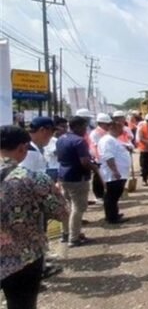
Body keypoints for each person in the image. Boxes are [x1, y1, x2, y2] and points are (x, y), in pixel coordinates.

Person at [1, 126, 68, 309]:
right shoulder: (34, 179)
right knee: (21, 304)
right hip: (24, 256)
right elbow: (62, 213)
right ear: (22, 148)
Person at [57, 116, 100, 247]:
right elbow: (84, 162)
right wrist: (95, 168)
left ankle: (66, 233)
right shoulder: (79, 141)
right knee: (78, 208)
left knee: (68, 207)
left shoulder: (61, 138)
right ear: (76, 127)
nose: (85, 130)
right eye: (83, 127)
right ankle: (74, 238)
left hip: (64, 176)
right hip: (77, 178)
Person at [96, 116, 130, 225]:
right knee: (112, 195)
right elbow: (108, 157)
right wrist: (115, 171)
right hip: (113, 173)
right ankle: (111, 217)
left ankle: (114, 214)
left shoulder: (113, 139)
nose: (122, 131)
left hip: (118, 172)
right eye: (120, 128)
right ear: (114, 128)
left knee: (114, 195)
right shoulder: (107, 140)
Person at [89, 113, 112, 204]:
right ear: (101, 123)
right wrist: (98, 158)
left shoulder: (106, 132)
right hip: (98, 158)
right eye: (107, 124)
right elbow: (95, 146)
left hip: (106, 157)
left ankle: (105, 193)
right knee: (98, 177)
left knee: (106, 175)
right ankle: (99, 195)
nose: (109, 126)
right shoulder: (95, 133)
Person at [44, 117, 69, 183]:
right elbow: (55, 152)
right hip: (53, 169)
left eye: (66, 127)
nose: (65, 129)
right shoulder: (51, 140)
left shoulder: (63, 139)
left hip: (61, 169)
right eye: (63, 127)